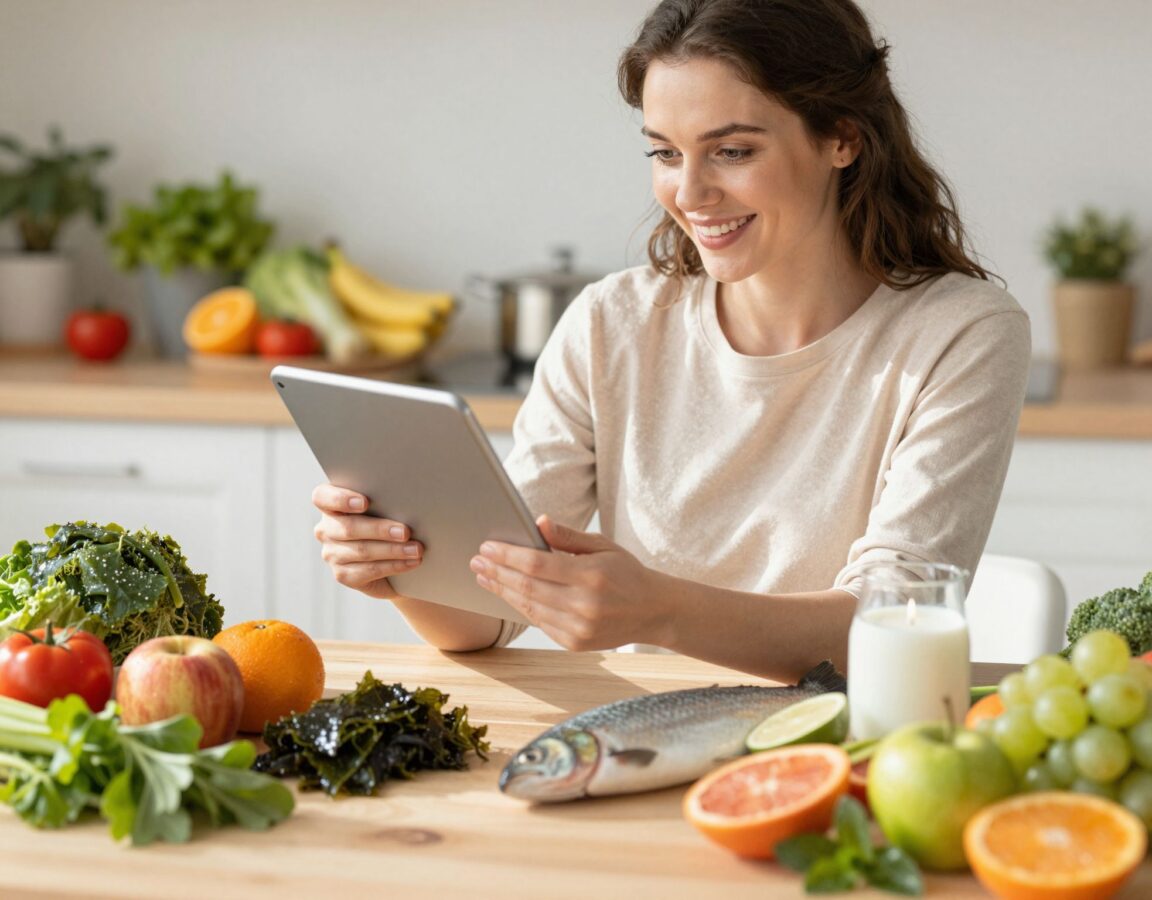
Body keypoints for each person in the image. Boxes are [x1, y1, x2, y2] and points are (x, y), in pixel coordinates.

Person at [312, 0, 1031, 684]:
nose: (689, 192)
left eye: (733, 151)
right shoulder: (610, 324)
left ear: (842, 137)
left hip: (838, 749)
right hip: (640, 743)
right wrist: (398, 571)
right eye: (664, 153)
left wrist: (658, 609)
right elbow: (490, 610)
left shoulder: (961, 333)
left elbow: (894, 626)